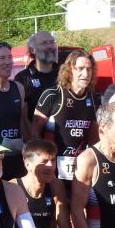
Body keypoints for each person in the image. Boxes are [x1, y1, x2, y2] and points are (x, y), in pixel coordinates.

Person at [32, 50, 99, 188]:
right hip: (53, 166)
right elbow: (34, 132)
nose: (85, 74)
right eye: (80, 69)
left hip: (80, 166)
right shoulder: (53, 95)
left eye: (89, 69)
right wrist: (43, 162)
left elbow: (94, 138)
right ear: (69, 70)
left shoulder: (93, 98)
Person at [0, 42, 30, 179]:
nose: (8, 62)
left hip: (17, 158)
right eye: (2, 58)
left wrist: (29, 148)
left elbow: (24, 123)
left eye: (10, 57)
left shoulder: (18, 87)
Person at [13, 31, 60, 117]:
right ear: (32, 50)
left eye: (52, 42)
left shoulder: (65, 74)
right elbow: (20, 116)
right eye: (44, 43)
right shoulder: (23, 78)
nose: (50, 46)